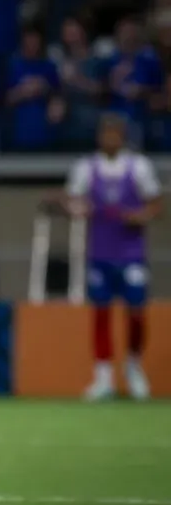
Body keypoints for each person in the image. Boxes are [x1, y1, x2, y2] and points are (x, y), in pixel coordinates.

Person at [60, 114, 162, 401]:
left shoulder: (138, 167)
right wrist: (77, 208)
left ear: (123, 135)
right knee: (101, 313)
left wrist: (140, 215)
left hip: (131, 253)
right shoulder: (85, 168)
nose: (110, 139)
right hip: (100, 252)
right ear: (99, 136)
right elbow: (71, 200)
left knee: (136, 312)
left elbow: (155, 203)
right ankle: (103, 376)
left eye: (115, 134)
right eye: (106, 133)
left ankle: (133, 367)